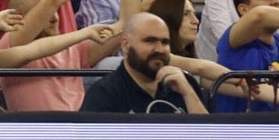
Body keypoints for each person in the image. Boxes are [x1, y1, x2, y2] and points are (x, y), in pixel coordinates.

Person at [79, 12, 209, 113]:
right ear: (125, 45)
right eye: (150, 41)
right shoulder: (104, 94)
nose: (159, 49)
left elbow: (209, 138)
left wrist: (188, 94)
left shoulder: (185, 83)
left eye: (165, 42)